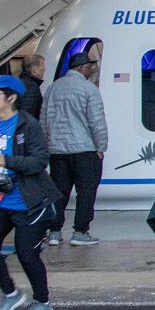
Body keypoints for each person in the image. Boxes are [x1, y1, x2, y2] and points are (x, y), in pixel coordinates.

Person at [0, 75, 61, 310]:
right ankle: (10, 293)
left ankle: (42, 302)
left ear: (11, 98)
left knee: (26, 253)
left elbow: (40, 160)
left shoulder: (27, 125)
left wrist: (9, 161)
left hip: (29, 202)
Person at [40, 52, 109, 247]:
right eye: (89, 66)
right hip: (84, 149)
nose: (91, 69)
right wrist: (101, 146)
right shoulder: (89, 89)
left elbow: (44, 119)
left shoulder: (53, 88)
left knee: (59, 191)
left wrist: (47, 145)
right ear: (81, 67)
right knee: (86, 191)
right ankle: (80, 231)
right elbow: (96, 121)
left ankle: (54, 232)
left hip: (57, 150)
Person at [17, 55, 45, 120]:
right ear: (34, 70)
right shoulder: (31, 87)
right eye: (42, 68)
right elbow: (27, 115)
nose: (44, 69)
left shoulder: (21, 82)